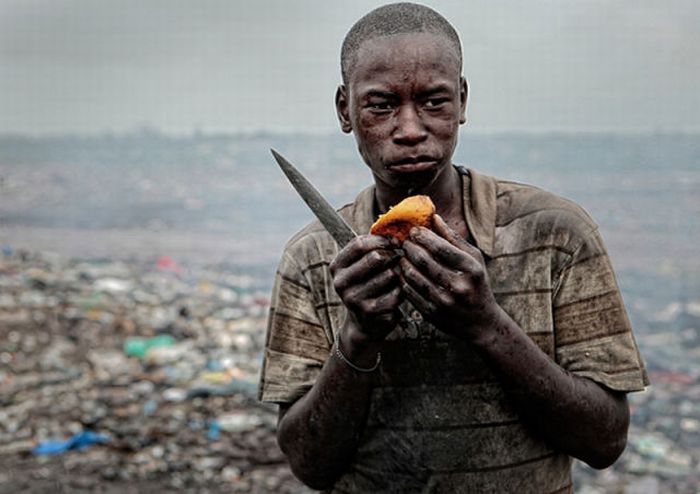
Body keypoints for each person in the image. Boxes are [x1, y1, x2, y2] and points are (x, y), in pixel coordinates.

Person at [258, 3, 648, 493]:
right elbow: (308, 465)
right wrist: (359, 335)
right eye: (381, 105)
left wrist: (486, 325)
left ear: (462, 101)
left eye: (434, 102)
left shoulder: (555, 233)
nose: (410, 129)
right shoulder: (313, 257)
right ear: (345, 110)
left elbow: (605, 441)